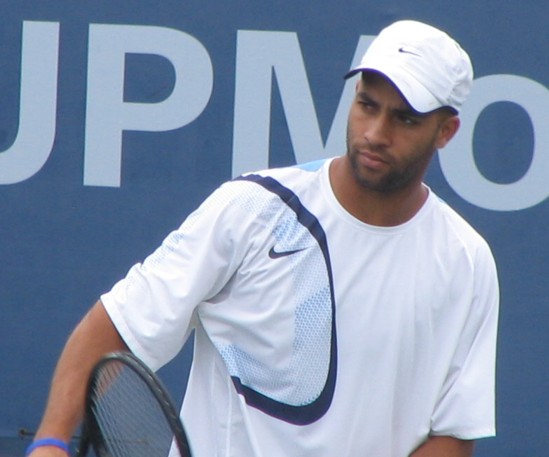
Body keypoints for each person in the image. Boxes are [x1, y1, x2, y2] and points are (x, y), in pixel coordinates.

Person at [28, 20, 499, 457]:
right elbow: (117, 325)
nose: (375, 133)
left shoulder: (467, 261)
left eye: (405, 120)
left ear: (446, 131)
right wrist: (49, 442)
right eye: (366, 105)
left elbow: (452, 433)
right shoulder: (252, 209)